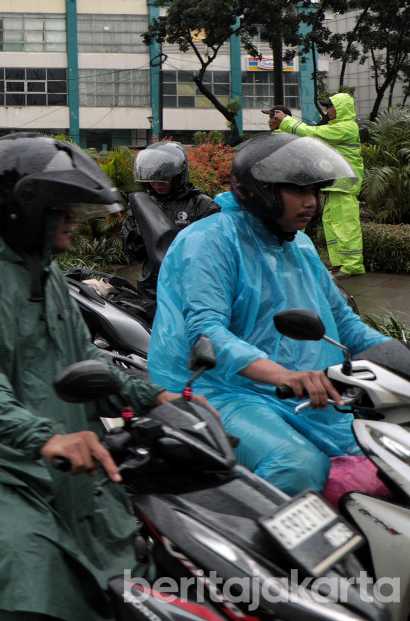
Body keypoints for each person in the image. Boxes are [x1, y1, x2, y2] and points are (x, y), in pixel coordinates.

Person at [0, 134, 179, 621]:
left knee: (136, 555)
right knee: (34, 570)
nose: (72, 219)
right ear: (23, 212)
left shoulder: (47, 278)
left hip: (50, 463)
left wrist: (157, 397)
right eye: (59, 209)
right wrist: (45, 438)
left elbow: (86, 365)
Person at [151, 132, 394, 496]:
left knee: (384, 454)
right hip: (217, 390)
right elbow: (206, 332)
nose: (311, 202)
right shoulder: (209, 241)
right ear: (260, 191)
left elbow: (344, 323)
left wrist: (397, 358)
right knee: (298, 464)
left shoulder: (300, 245)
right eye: (298, 190)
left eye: (316, 191)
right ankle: (240, 533)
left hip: (295, 392)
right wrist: (286, 376)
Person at [270, 93, 365, 277]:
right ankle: (340, 262)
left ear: (340, 109)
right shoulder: (337, 127)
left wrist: (286, 121)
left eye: (330, 106)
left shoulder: (345, 127)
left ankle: (353, 265)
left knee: (345, 225)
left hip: (344, 185)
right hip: (337, 184)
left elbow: (312, 133)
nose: (327, 110)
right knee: (333, 224)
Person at [119, 141, 218, 311]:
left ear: (179, 175)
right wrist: (139, 235)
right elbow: (133, 253)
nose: (157, 184)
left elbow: (213, 252)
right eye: (153, 180)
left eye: (163, 179)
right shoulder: (145, 206)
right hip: (152, 290)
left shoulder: (202, 205)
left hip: (191, 288)